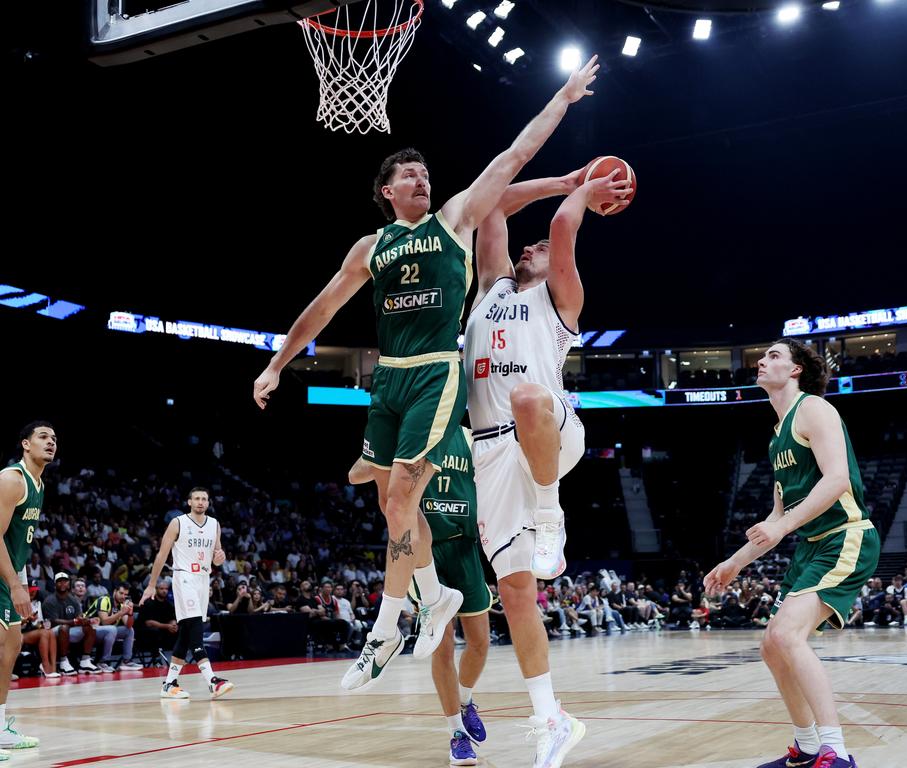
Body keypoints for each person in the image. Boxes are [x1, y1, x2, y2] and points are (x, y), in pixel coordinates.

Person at [252, 55, 601, 693]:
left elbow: (512, 159)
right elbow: (324, 305)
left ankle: (387, 625)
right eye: (409, 174)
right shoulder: (371, 247)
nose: (422, 178)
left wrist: (564, 98)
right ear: (387, 190)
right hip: (389, 378)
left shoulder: (454, 222)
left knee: (404, 493)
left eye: (426, 172)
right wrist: (278, 362)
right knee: (391, 504)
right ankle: (429, 594)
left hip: (438, 374)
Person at [463, 168, 630, 767]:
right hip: (488, 453)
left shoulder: (559, 299)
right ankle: (550, 717)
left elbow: (562, 225)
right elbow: (490, 207)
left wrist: (583, 191)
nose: (530, 246)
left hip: (549, 431)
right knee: (514, 590)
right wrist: (560, 177)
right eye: (525, 246)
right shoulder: (490, 290)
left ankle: (551, 514)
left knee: (528, 396)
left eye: (536, 248)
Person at [705, 340, 880, 768]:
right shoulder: (776, 436)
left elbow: (837, 479)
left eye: (775, 356)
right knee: (772, 646)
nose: (762, 361)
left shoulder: (815, 409)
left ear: (797, 370)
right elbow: (778, 515)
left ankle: (836, 753)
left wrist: (781, 525)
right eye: (762, 357)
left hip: (846, 537)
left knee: (786, 636)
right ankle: (805, 748)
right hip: (812, 546)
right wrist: (735, 562)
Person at [350, 426, 492, 766]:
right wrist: (387, 460)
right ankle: (457, 733)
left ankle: (465, 700)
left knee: (480, 642)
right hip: (426, 551)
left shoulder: (470, 437)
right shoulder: (409, 432)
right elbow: (355, 473)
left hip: (465, 545)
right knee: (441, 647)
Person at [140, 487, 232, 700]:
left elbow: (217, 557)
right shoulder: (178, 523)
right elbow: (162, 555)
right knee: (195, 627)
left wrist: (220, 557)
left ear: (208, 503)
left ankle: (169, 684)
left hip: (203, 579)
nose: (200, 502)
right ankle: (211, 680)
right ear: (189, 502)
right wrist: (152, 585)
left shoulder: (214, 524)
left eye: (204, 499)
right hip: (183, 577)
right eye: (197, 498)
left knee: (186, 632)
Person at [0, 422, 58, 752]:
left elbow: (18, 544)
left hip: (9, 573)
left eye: (54, 439)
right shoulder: (12, 479)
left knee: (11, 648)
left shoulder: (38, 483)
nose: (51, 442)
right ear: (25, 444)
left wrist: (21, 585)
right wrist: (14, 585)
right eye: (43, 437)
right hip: (1, 575)